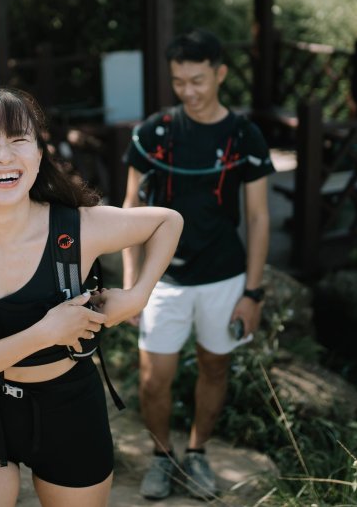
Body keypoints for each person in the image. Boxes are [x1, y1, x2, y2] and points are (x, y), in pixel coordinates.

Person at [0, 87, 183, 507]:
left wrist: (138, 296)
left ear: (37, 155)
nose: (4, 155)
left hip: (71, 411)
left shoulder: (78, 228)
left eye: (19, 139)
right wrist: (47, 332)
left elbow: (167, 222)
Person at [122, 28, 274, 500]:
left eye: (198, 80)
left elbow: (258, 217)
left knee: (214, 367)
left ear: (220, 74)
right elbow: (128, 210)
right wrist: (131, 285)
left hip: (224, 276)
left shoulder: (244, 136)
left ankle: (198, 453)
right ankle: (161, 457)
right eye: (179, 81)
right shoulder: (153, 134)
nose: (188, 91)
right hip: (162, 278)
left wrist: (252, 293)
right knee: (153, 379)